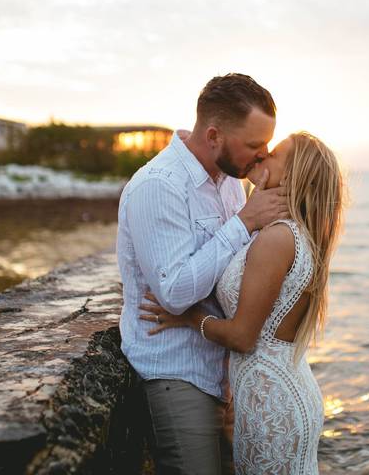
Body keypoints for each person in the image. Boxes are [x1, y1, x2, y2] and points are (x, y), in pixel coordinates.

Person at [141, 131, 346, 475]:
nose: (263, 155)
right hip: (271, 394)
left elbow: (243, 337)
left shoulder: (276, 238)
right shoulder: (283, 233)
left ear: (293, 175)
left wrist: (189, 316)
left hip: (274, 404)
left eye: (275, 154)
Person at [117, 73, 289, 475]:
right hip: (176, 373)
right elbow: (175, 292)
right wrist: (243, 223)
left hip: (221, 369)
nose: (262, 155)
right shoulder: (159, 186)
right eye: (253, 145)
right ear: (214, 136)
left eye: (265, 144)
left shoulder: (230, 182)